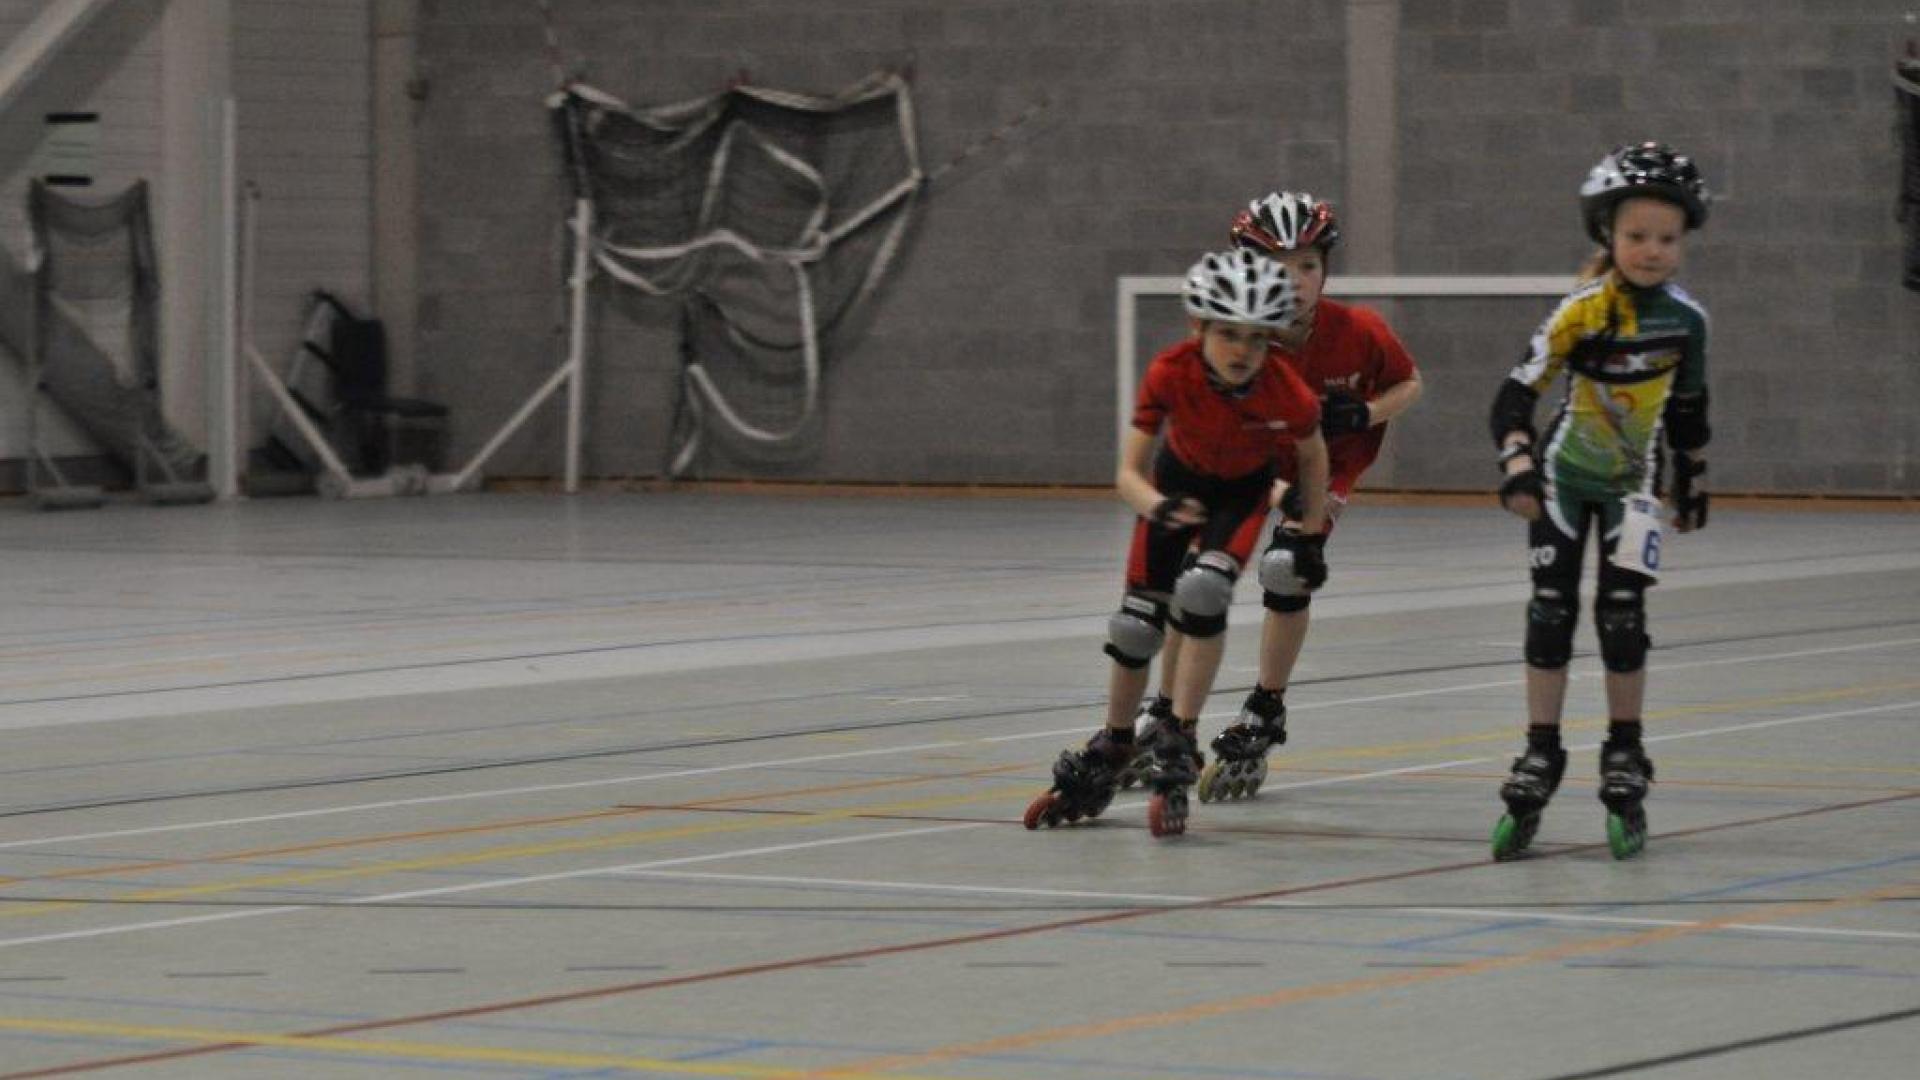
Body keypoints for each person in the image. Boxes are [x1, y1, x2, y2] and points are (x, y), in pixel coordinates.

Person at [1125, 192, 1424, 804]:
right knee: (1194, 581)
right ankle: (1166, 711)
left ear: (1326, 269)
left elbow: (1409, 383)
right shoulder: (1237, 337)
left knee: (1287, 569)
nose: (1295, 281)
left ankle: (1266, 706)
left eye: (1308, 266)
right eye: (1277, 267)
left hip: (1322, 465)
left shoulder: (1359, 331)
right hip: (1247, 461)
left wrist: (1366, 412)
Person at [1025, 248, 1329, 838]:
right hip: (1173, 487)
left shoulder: (1284, 388)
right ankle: (1115, 738)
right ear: (1198, 328)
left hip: (1239, 496)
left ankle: (1179, 733)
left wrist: (1310, 535)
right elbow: (1127, 474)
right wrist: (1158, 507)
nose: (1242, 351)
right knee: (1134, 627)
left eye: (1257, 338)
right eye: (1228, 333)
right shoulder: (1170, 371)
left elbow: (1314, 456)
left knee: (1203, 592)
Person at [1487, 142, 1712, 861]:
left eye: (1667, 238)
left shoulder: (1687, 322)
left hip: (1632, 491)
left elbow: (1689, 409)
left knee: (1623, 617)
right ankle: (1541, 747)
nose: (1652, 251)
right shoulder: (1582, 311)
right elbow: (1514, 394)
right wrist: (1518, 465)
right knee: (1551, 612)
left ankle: (1624, 747)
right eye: (1637, 235)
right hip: (1564, 480)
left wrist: (1692, 478)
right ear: (1607, 235)